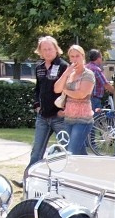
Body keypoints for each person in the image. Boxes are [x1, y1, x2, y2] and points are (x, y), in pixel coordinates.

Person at [29, 35, 68, 165]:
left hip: (59, 116)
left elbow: (68, 89)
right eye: (44, 49)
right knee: (36, 151)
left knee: (66, 148)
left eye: (50, 49)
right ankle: (29, 174)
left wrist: (65, 108)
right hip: (42, 116)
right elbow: (37, 89)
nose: (47, 52)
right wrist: (37, 106)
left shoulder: (63, 66)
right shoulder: (39, 67)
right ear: (40, 51)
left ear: (56, 49)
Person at [53, 45, 95, 155]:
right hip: (68, 118)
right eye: (72, 56)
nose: (75, 59)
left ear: (83, 57)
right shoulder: (69, 74)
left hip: (83, 119)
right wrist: (66, 74)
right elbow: (56, 89)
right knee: (78, 153)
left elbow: (81, 94)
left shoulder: (88, 74)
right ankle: (87, 165)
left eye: (77, 56)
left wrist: (65, 90)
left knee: (71, 152)